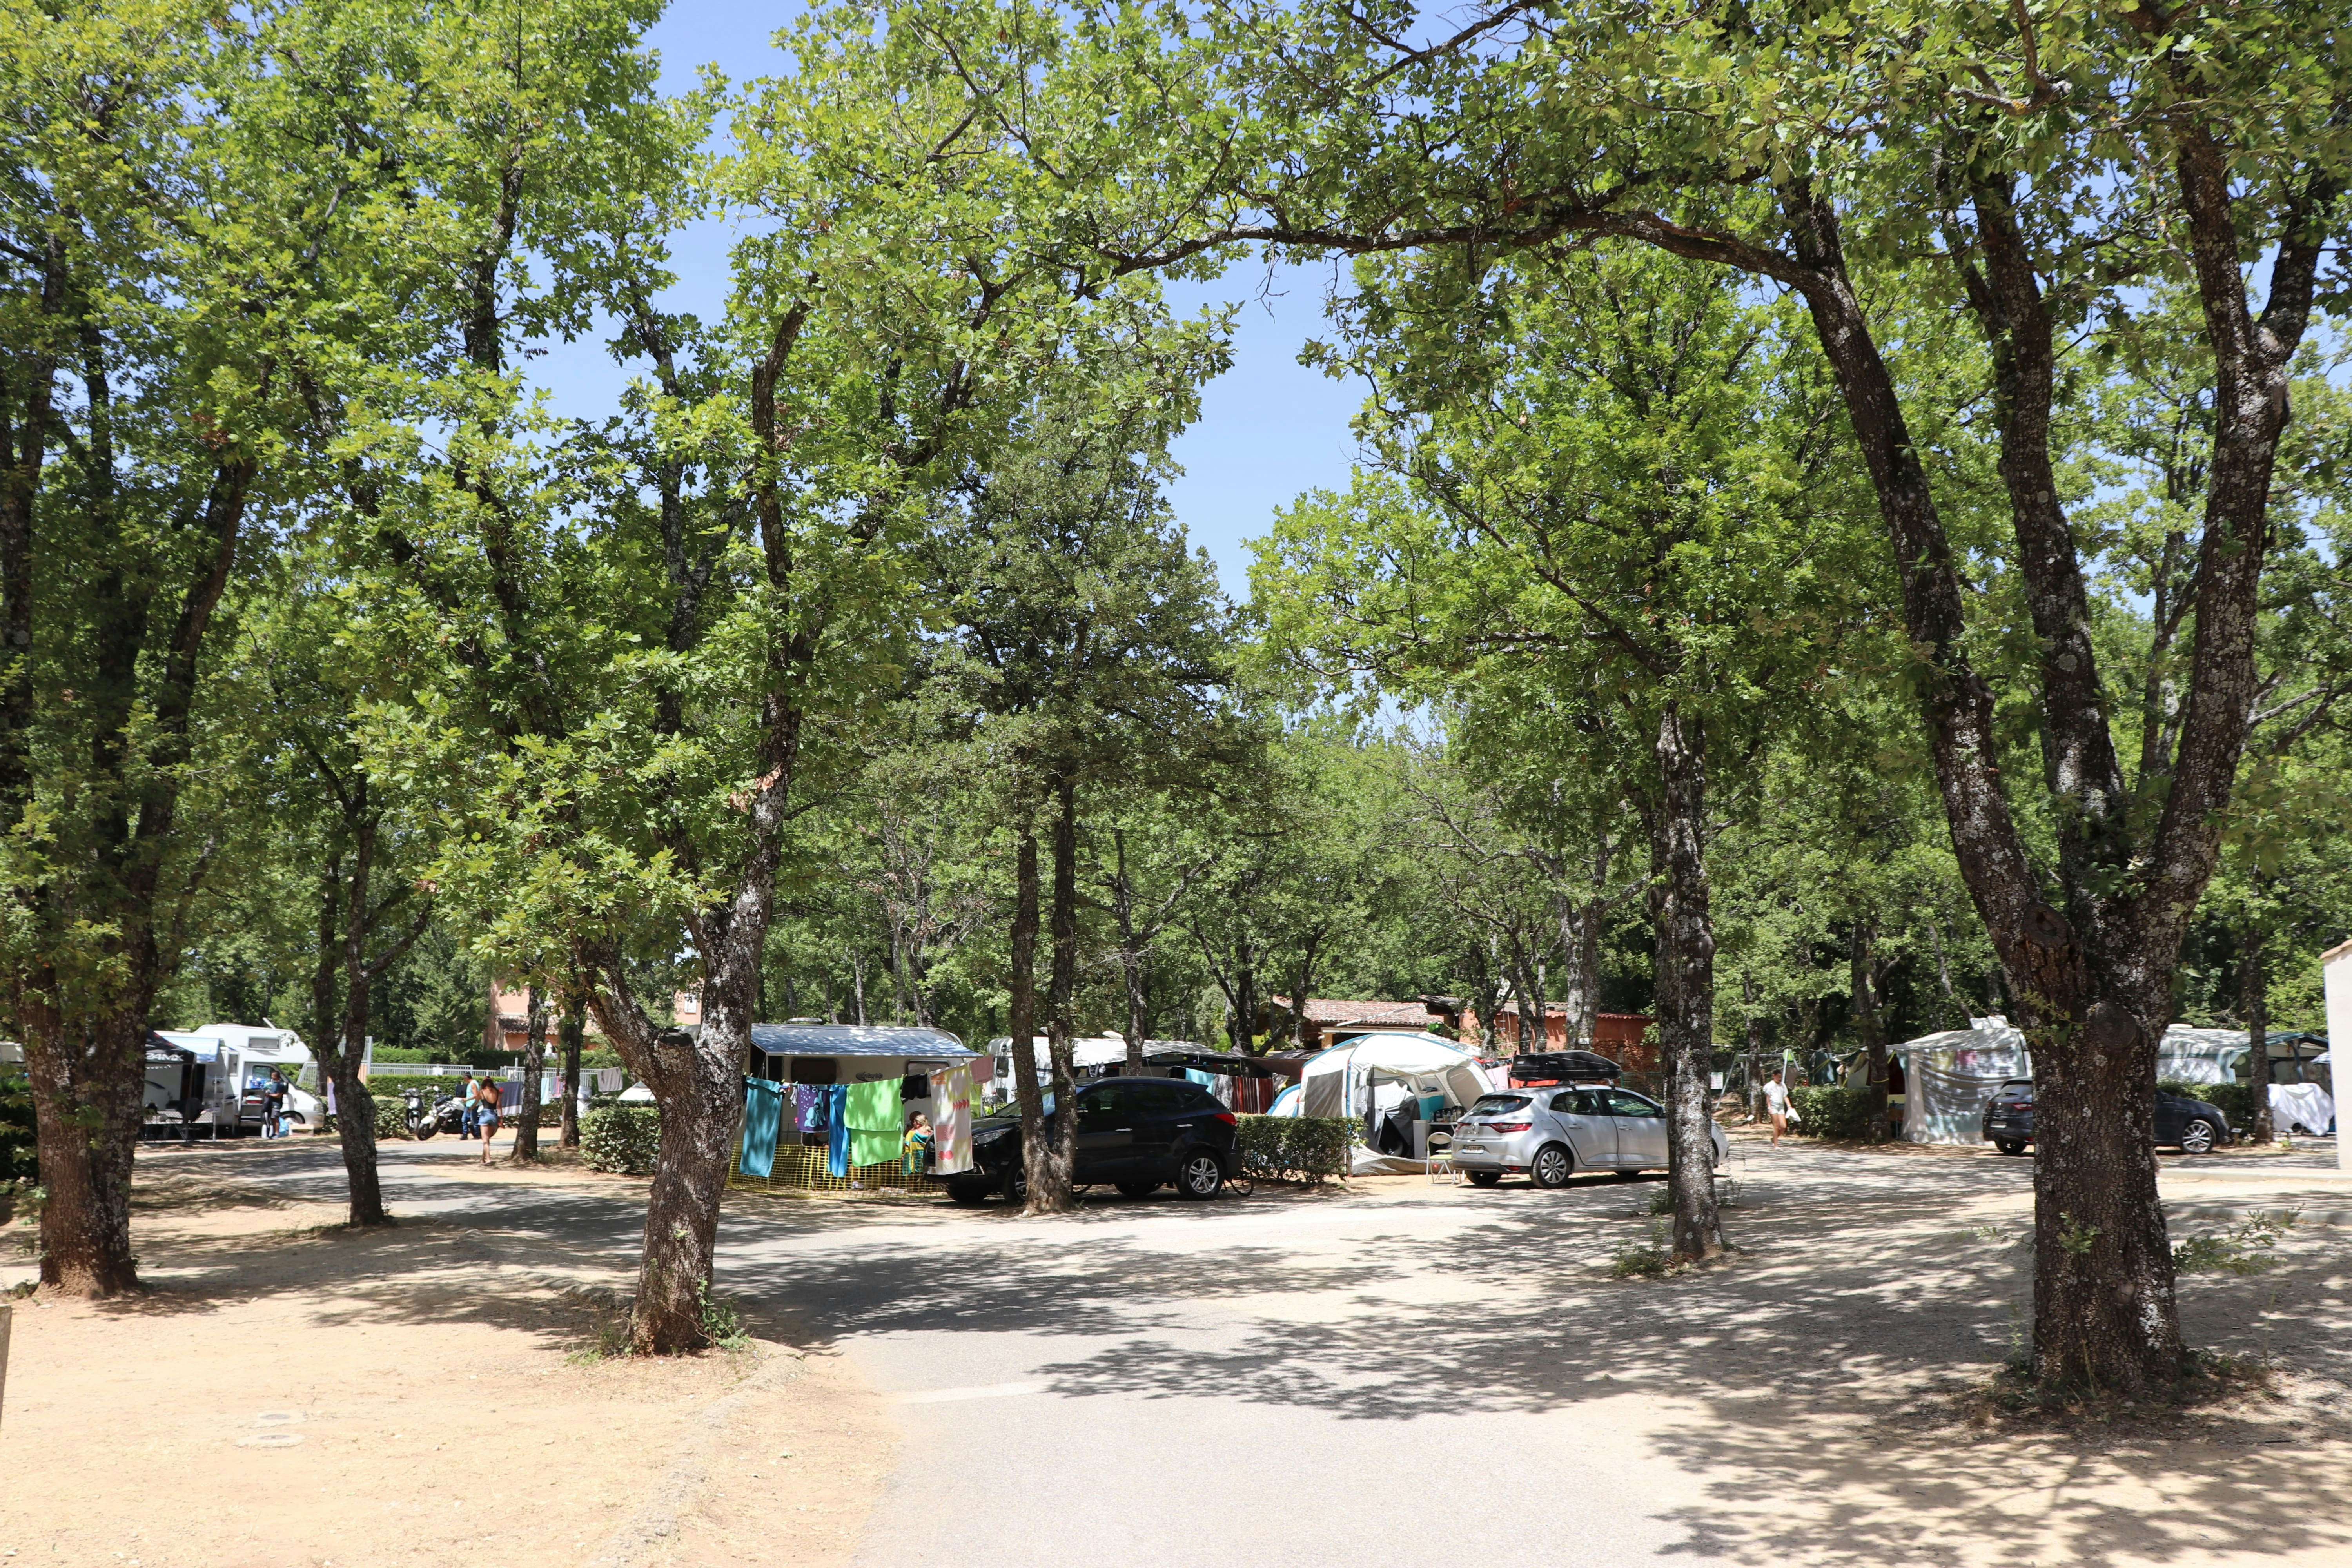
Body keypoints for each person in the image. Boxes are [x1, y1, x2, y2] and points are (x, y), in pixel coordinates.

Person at [476, 1076, 502, 1165]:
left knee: (485, 1140)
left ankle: (488, 1159)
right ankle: (482, 1159)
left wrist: (470, 1108)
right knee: (487, 1139)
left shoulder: (482, 1092)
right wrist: (501, 1118)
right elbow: (499, 1106)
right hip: (494, 1116)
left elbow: (475, 1101)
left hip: (485, 1115)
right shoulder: (497, 1092)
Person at [1762, 1068, 1791, 1148]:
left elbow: (1785, 1096)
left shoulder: (1783, 1085)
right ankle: (1776, 1145)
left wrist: (1789, 1107)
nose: (1780, 1079)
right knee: (1777, 1126)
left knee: (1784, 1126)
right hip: (1773, 1106)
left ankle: (1774, 1138)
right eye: (1778, 1077)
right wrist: (1769, 1108)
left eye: (1781, 1077)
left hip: (1781, 1106)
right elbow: (1768, 1097)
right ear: (1774, 1076)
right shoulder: (1770, 1086)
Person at [902, 1111, 934, 1177]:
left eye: (913, 1121)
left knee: (913, 1180)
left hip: (914, 1161)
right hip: (928, 1161)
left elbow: (905, 1144)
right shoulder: (931, 1133)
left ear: (918, 1123)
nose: (912, 1123)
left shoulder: (911, 1132)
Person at [262, 1069, 287, 1140]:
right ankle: (273, 1133)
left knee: (276, 1119)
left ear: (276, 1077)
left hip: (277, 1104)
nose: (272, 1077)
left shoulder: (280, 1085)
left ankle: (277, 1133)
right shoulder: (274, 1083)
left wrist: (270, 1095)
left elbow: (278, 1095)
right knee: (272, 1119)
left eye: (273, 1076)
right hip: (272, 1104)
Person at [461, 1072, 481, 1140]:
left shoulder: (473, 1084)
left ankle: (477, 1134)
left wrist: (467, 1099)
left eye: (464, 1079)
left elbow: (476, 1095)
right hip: (469, 1104)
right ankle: (465, 1134)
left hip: (473, 1105)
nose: (464, 1080)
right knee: (464, 1119)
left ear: (467, 1078)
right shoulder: (471, 1084)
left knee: (474, 1120)